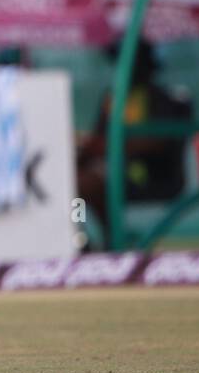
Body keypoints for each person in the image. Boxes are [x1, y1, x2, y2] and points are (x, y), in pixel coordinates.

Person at [75, 38, 191, 248]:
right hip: (111, 170)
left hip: (148, 175)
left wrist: (109, 147)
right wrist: (82, 151)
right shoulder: (113, 98)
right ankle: (80, 236)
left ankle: (113, 240)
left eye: (130, 64)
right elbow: (98, 138)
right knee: (72, 180)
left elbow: (158, 141)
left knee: (87, 183)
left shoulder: (160, 99)